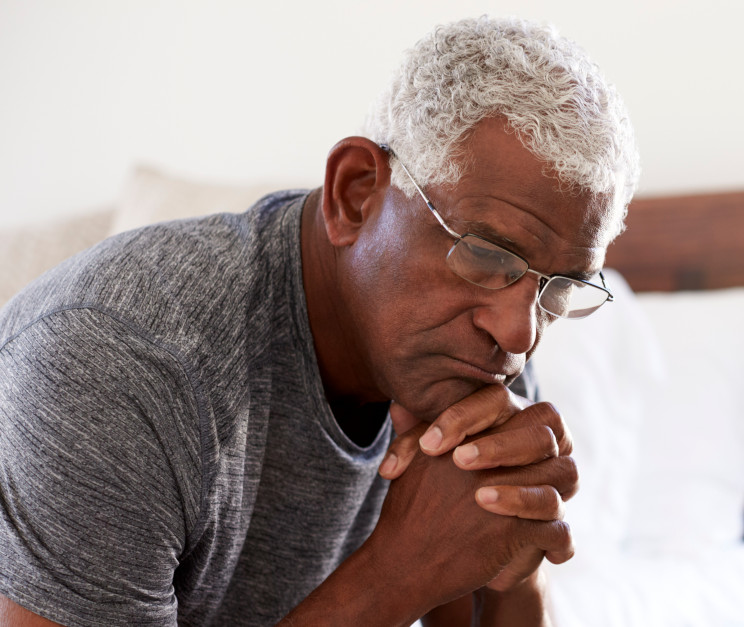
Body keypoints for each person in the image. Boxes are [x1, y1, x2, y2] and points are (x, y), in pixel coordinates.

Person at [0, 15, 639, 627]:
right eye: (484, 253)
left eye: (561, 287)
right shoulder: (116, 361)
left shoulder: (480, 345)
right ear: (355, 193)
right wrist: (396, 575)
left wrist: (515, 553)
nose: (521, 337)